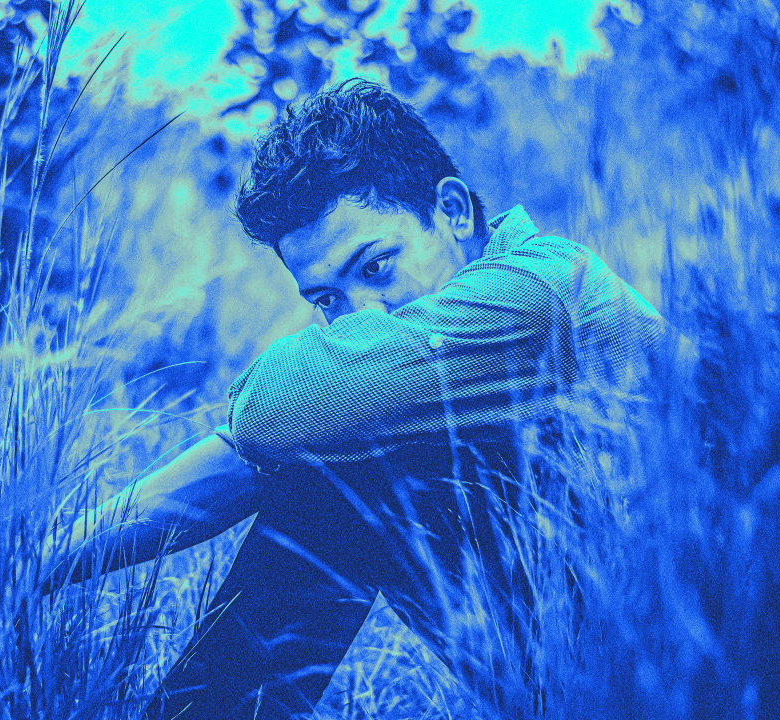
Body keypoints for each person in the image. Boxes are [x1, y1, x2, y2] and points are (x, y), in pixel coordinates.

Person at [38, 79, 666, 719]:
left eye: (375, 267)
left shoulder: (543, 289)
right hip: (589, 678)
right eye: (327, 299)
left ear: (452, 211)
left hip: (693, 676)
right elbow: (256, 445)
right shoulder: (423, 371)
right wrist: (41, 560)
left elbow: (275, 409)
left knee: (345, 465)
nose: (362, 316)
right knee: (335, 455)